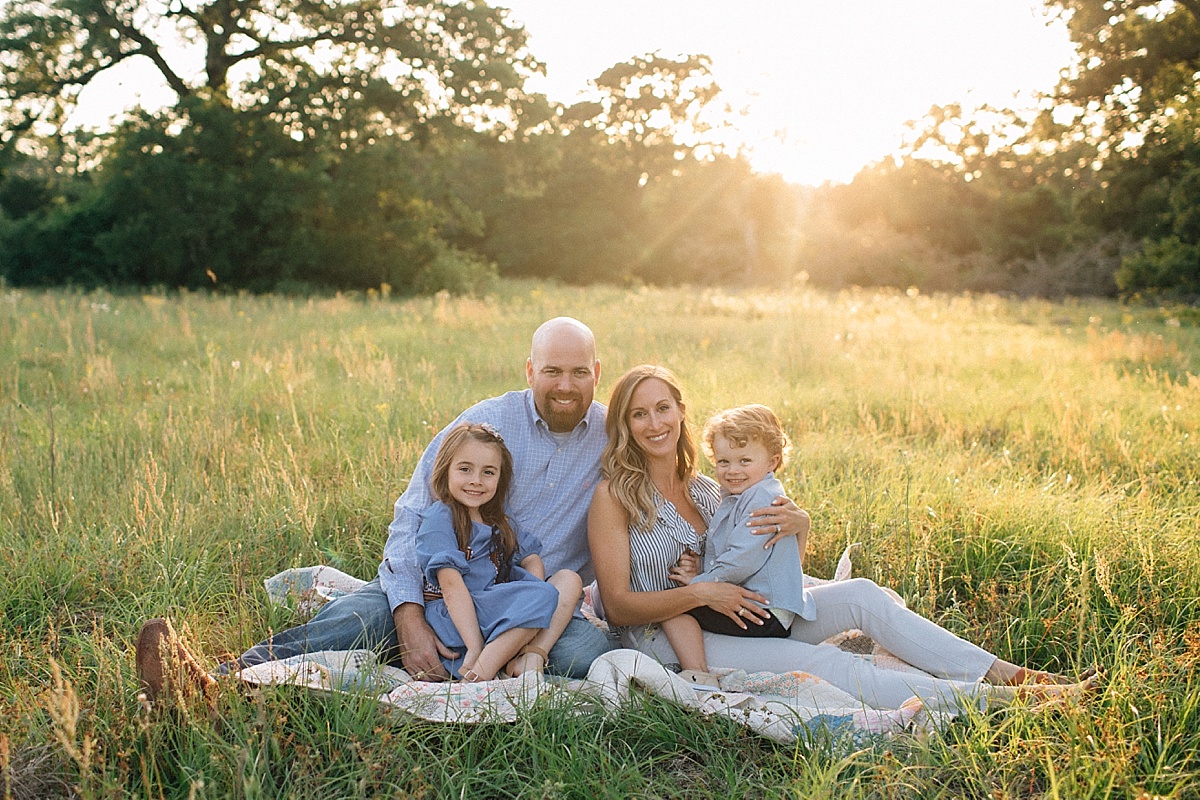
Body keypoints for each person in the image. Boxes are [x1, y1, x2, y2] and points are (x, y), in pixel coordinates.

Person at [136, 318, 809, 699]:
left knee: (589, 654)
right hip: (454, 585)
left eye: (579, 372)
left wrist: (796, 520)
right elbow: (412, 518)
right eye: (552, 370)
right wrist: (407, 612)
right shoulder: (484, 425)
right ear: (530, 370)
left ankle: (481, 662)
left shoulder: (615, 436)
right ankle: (216, 678)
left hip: (541, 606)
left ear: (596, 375)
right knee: (372, 610)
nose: (565, 384)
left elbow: (699, 485)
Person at [587, 364, 1098, 709]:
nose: (654, 423)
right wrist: (702, 591)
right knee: (823, 662)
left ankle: (1009, 675)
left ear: (680, 412)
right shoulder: (615, 496)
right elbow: (616, 606)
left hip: (752, 615)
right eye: (639, 413)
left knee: (861, 595)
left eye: (662, 408)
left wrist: (799, 528)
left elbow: (769, 563)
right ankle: (999, 703)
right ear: (624, 425)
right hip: (676, 636)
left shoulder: (709, 488)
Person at [658, 404, 816, 686]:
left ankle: (697, 675)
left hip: (764, 612)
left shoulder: (761, 502)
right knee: (678, 601)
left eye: (745, 461)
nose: (732, 471)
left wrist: (699, 582)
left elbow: (742, 560)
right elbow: (729, 547)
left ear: (772, 461)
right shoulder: (740, 494)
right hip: (764, 604)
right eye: (723, 462)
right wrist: (702, 564)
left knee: (671, 605)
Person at [417, 422, 582, 681]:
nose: (476, 481)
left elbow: (531, 557)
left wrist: (531, 602)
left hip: (492, 611)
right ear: (445, 470)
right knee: (543, 597)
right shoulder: (441, 517)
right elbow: (450, 585)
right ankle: (481, 672)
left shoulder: (499, 521)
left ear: (500, 478)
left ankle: (528, 653)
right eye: (464, 469)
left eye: (488, 472)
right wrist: (474, 645)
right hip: (455, 618)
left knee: (569, 581)